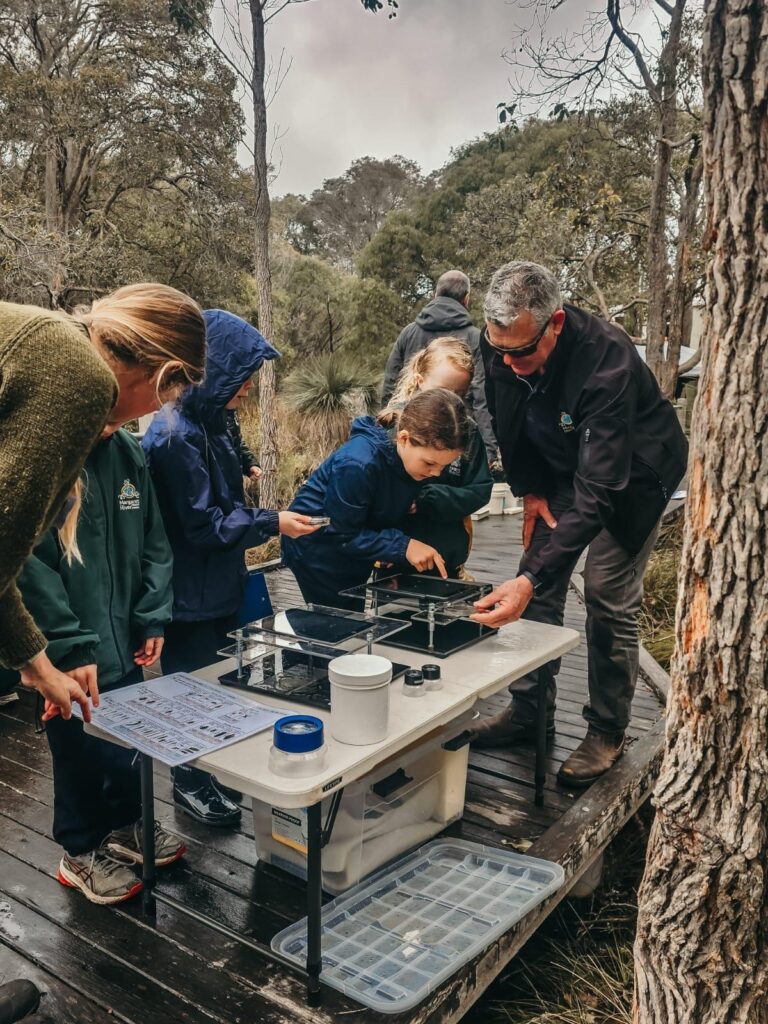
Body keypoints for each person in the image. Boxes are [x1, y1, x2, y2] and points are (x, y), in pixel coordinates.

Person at [471, 261, 688, 787]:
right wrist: (532, 492)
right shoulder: (502, 342)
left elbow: (601, 491)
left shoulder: (607, 360)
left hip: (632, 473)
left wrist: (531, 576)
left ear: (557, 323)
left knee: (605, 592)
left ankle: (607, 730)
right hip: (562, 466)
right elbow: (506, 416)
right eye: (501, 350)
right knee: (536, 580)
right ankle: (529, 712)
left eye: (523, 351)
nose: (511, 363)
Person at [142, 309, 318, 827]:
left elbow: (228, 450)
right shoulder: (173, 436)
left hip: (220, 583)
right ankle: (189, 780)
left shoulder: (211, 417)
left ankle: (212, 771)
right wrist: (273, 522)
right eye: (240, 376)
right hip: (189, 592)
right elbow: (204, 524)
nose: (246, 389)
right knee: (188, 688)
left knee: (219, 682)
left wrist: (244, 464)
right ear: (211, 369)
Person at [0, 284, 206, 721]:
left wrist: (33, 663)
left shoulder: (49, 339)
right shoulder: (82, 377)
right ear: (161, 371)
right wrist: (42, 657)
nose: (145, 414)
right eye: (161, 400)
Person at [0, 427, 184, 904]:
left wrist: (151, 616)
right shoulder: (47, 450)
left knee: (126, 742)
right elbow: (27, 563)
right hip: (65, 654)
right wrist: (70, 644)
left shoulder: (127, 452)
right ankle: (78, 850)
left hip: (125, 638)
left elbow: (153, 537)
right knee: (75, 750)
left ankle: (125, 825)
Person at [282, 388, 470, 610]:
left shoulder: (410, 461)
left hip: (355, 545)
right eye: (429, 464)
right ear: (403, 438)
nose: (436, 474)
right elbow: (342, 533)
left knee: (352, 617)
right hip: (318, 548)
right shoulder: (358, 463)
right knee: (336, 621)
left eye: (444, 466)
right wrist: (402, 546)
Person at [381, 337, 493, 577]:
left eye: (459, 393)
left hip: (446, 560)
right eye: (442, 390)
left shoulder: (467, 431)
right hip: (396, 560)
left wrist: (430, 500)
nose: (450, 400)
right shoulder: (393, 423)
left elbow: (480, 489)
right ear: (420, 381)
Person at [381, 269, 499, 465]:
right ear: (466, 299)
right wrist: (488, 450)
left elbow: (390, 385)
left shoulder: (409, 333)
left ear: (436, 295)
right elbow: (482, 398)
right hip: (457, 442)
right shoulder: (476, 338)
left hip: (411, 439)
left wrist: (387, 428)